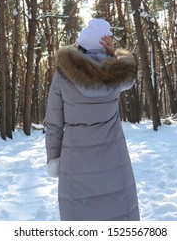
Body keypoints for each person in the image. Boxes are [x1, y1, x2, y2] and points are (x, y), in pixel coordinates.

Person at [44, 18, 140, 221]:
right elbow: (130, 78)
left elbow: (54, 121)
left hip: (75, 161)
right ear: (105, 44)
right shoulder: (116, 73)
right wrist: (114, 55)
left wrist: (53, 158)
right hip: (114, 159)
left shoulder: (64, 73)